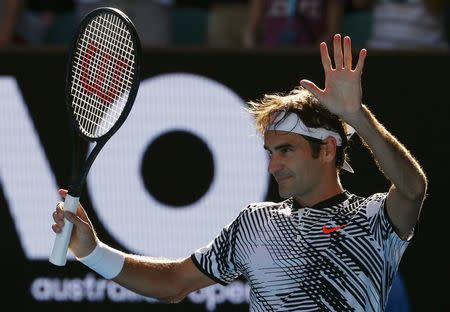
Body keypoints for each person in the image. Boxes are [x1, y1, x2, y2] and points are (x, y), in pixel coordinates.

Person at [51, 34, 427, 310]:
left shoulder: (374, 220)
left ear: (327, 149)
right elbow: (173, 283)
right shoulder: (254, 224)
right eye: (269, 152)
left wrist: (356, 117)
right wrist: (91, 251)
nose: (273, 165)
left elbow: (412, 188)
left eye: (285, 151)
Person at [242, 0, 344, 48]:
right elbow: (251, 30)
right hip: (270, 54)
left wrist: (315, 54)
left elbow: (332, 31)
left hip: (308, 55)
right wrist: (254, 55)